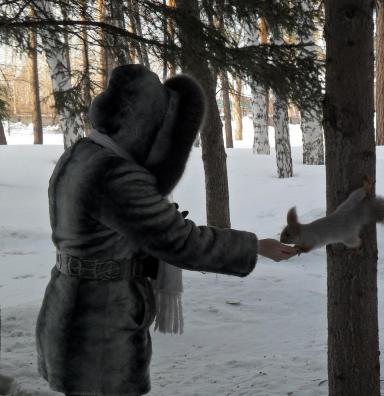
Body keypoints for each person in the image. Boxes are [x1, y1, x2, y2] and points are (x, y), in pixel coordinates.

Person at [35, 64, 298, 396]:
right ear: (145, 129)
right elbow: (182, 242)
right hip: (98, 328)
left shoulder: (82, 154)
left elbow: (110, 234)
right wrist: (255, 246)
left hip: (70, 308)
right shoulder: (116, 177)